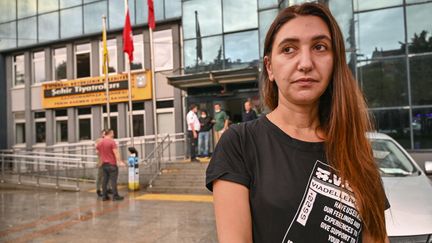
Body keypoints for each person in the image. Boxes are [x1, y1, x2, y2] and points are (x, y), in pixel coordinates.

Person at [206, 3, 390, 243]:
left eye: (319, 47)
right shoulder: (240, 143)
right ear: (270, 67)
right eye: (289, 49)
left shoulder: (356, 149)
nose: (305, 63)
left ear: (335, 63)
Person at [96, 129, 126, 201]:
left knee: (104, 181)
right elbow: (116, 152)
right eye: (112, 133)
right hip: (112, 164)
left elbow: (98, 153)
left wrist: (100, 162)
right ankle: (115, 196)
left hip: (104, 165)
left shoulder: (100, 143)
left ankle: (104, 196)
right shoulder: (112, 142)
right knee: (113, 181)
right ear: (110, 133)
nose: (113, 134)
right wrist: (120, 161)